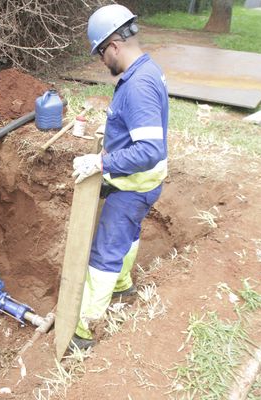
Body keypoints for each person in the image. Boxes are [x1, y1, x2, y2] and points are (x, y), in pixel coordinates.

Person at [69, 4, 169, 350]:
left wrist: (101, 163)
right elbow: (139, 134)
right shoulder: (146, 70)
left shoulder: (137, 86)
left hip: (132, 186)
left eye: (100, 54)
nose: (102, 62)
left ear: (114, 44)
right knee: (129, 234)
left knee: (104, 252)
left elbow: (149, 150)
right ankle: (124, 284)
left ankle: (84, 329)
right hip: (145, 183)